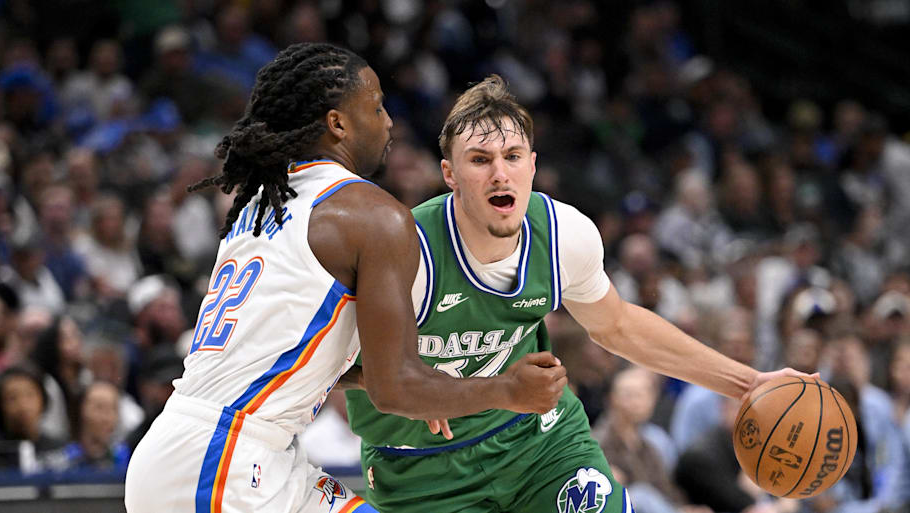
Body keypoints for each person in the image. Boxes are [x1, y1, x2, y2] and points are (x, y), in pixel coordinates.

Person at [124, 43, 566, 513]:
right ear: (338, 124)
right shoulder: (372, 215)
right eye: (376, 107)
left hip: (212, 450)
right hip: (226, 462)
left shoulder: (262, 206)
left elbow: (292, 358)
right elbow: (393, 388)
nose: (389, 121)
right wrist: (507, 390)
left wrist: (429, 383)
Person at [344, 75, 813, 513]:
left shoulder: (564, 234)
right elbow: (327, 361)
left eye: (512, 156)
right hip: (417, 467)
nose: (500, 174)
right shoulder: (406, 250)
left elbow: (618, 325)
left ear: (533, 164)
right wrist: (419, 391)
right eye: (480, 160)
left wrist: (747, 383)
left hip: (537, 440)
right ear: (450, 174)